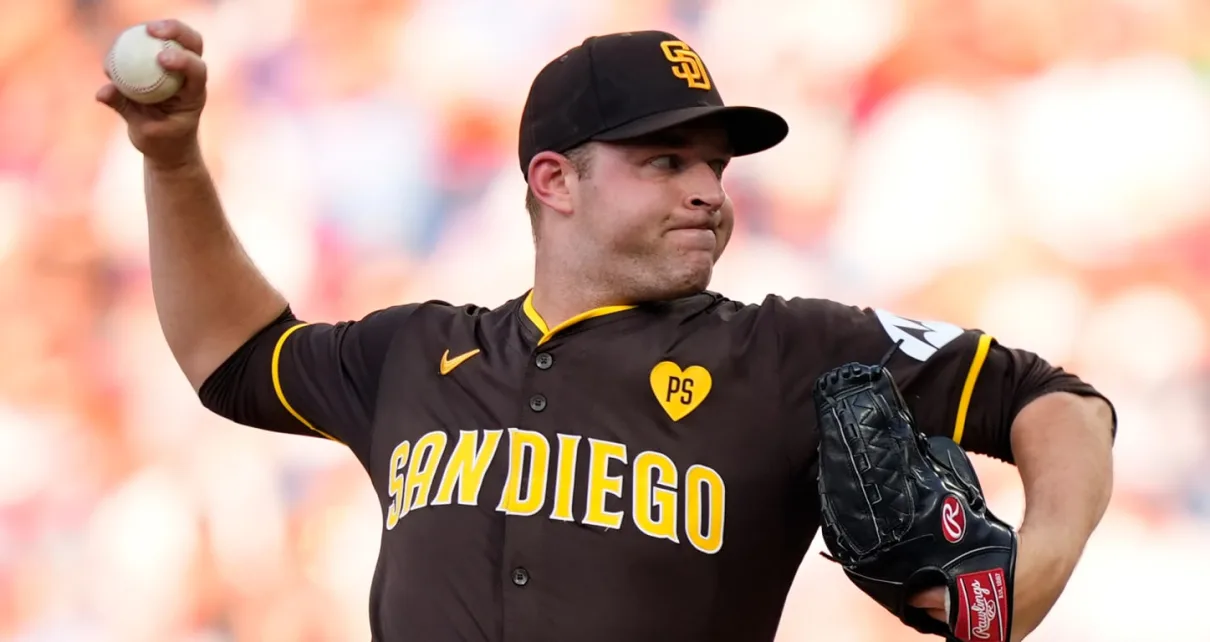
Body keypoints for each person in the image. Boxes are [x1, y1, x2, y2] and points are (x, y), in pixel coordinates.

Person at [97, 21, 1116, 642]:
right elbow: (231, 357)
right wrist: (175, 161)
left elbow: (1056, 403)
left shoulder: (792, 351)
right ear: (554, 181)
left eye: (716, 165)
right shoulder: (415, 355)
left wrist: (1024, 582)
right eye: (666, 162)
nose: (709, 192)